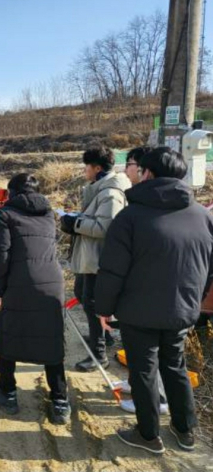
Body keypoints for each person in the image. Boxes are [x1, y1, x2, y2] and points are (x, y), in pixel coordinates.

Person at [96, 147, 213, 454]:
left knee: (144, 370)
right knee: (174, 366)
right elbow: (208, 268)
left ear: (147, 173)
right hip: (183, 310)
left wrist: (103, 308)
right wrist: (194, 301)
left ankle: (148, 435)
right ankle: (184, 429)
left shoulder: (130, 216)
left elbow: (112, 270)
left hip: (139, 312)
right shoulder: (202, 215)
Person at [0, 173, 70, 424]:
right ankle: (60, 401)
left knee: (9, 335)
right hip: (52, 283)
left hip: (20, 283)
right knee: (51, 339)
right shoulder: (48, 214)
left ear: (11, 193)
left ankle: (7, 394)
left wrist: (0, 290)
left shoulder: (4, 215)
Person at [60, 148, 130, 372]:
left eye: (86, 167)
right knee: (82, 294)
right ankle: (103, 334)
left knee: (92, 302)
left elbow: (106, 227)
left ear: (97, 168)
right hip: (89, 256)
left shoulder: (110, 193)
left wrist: (76, 224)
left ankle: (98, 354)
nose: (84, 171)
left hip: (98, 259)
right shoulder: (99, 190)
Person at [112, 145, 169, 416]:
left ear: (147, 170)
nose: (127, 169)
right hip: (144, 294)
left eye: (132, 164)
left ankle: (154, 400)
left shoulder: (149, 207)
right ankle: (138, 385)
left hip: (152, 296)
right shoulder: (137, 202)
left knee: (152, 354)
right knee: (138, 352)